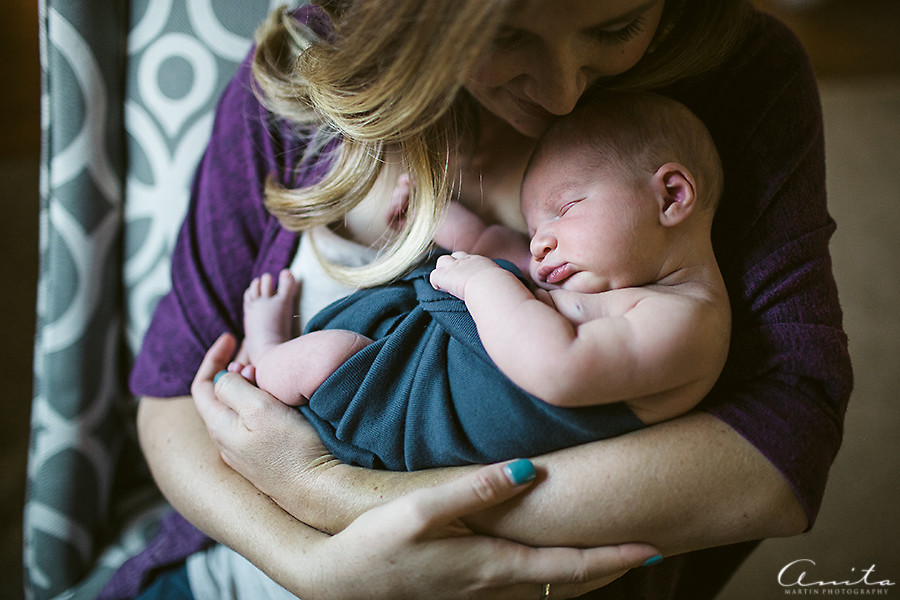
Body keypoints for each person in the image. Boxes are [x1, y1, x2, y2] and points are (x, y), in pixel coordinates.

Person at [111, 0, 852, 598]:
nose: (562, 91)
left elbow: (783, 448)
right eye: (503, 33)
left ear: (673, 194)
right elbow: (175, 395)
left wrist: (338, 496)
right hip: (249, 572)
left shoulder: (733, 82)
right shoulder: (297, 84)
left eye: (615, 25)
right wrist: (310, 564)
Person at [232, 91, 731, 472]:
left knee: (323, 358)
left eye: (566, 209)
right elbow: (494, 244)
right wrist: (429, 222)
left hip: (408, 419)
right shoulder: (613, 279)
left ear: (671, 196)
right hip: (415, 361)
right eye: (537, 229)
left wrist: (481, 284)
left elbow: (557, 364)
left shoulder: (688, 322)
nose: (540, 243)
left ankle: (265, 354)